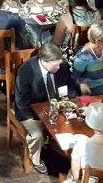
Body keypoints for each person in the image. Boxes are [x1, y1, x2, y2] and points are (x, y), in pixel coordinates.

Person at [12, 43, 75, 175]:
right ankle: (35, 160)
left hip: (56, 107)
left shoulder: (62, 66)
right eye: (55, 64)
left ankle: (69, 157)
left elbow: (70, 87)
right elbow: (21, 102)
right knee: (37, 135)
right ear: (45, 61)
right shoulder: (26, 71)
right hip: (30, 111)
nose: (59, 67)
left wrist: (70, 101)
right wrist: (40, 118)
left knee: (74, 124)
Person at [72, 23, 103, 95]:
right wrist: (81, 83)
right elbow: (75, 77)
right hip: (92, 90)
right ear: (98, 41)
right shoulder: (83, 57)